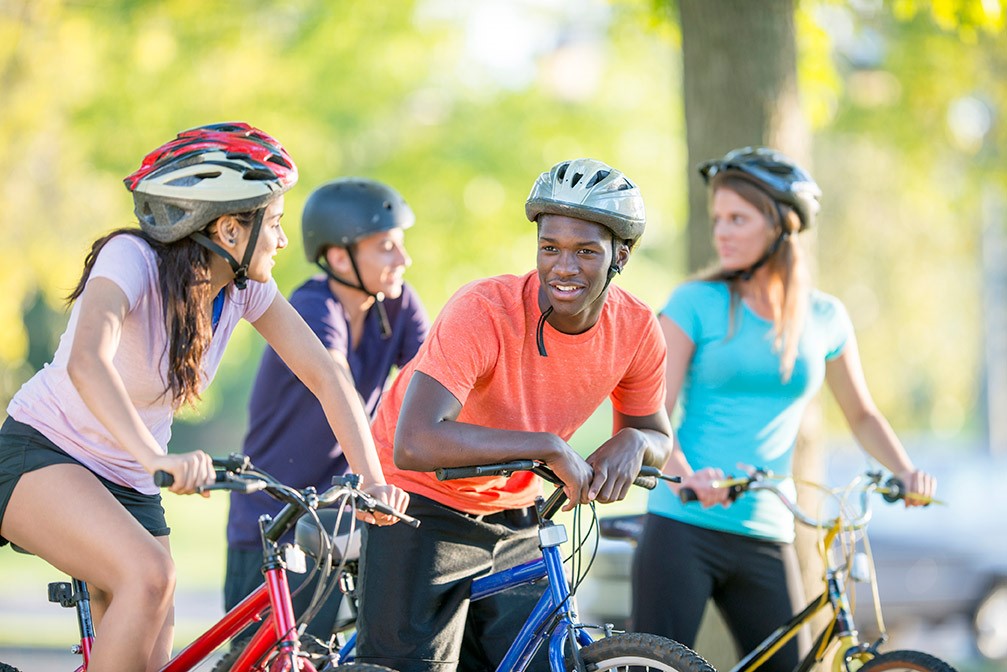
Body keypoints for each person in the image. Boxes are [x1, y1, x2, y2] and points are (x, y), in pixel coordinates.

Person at [0, 122, 408, 672]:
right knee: (150, 576)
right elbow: (86, 361)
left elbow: (327, 377)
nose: (284, 241)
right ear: (230, 229)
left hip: (132, 482)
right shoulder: (130, 257)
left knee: (153, 659)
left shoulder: (245, 289)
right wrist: (157, 456)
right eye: (277, 223)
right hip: (45, 453)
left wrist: (373, 481)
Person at [353, 158, 674, 671]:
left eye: (586, 252)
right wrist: (545, 446)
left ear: (621, 256)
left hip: (516, 511)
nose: (563, 268)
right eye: (550, 248)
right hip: (416, 501)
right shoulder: (484, 310)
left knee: (538, 661)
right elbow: (414, 442)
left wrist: (636, 442)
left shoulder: (635, 330)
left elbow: (656, 432)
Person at [631, 146, 938, 672]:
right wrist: (685, 477)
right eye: (717, 219)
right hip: (684, 521)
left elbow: (861, 414)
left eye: (737, 219)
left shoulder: (826, 318)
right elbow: (648, 408)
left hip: (768, 529)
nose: (721, 232)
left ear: (780, 227)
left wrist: (905, 470)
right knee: (653, 667)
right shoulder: (694, 303)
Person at [223, 177, 428, 639]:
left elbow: (433, 384)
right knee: (261, 661)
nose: (404, 259)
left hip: (338, 517)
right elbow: (335, 382)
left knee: (316, 656)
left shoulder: (398, 305)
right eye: (387, 247)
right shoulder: (313, 305)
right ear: (340, 256)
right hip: (274, 515)